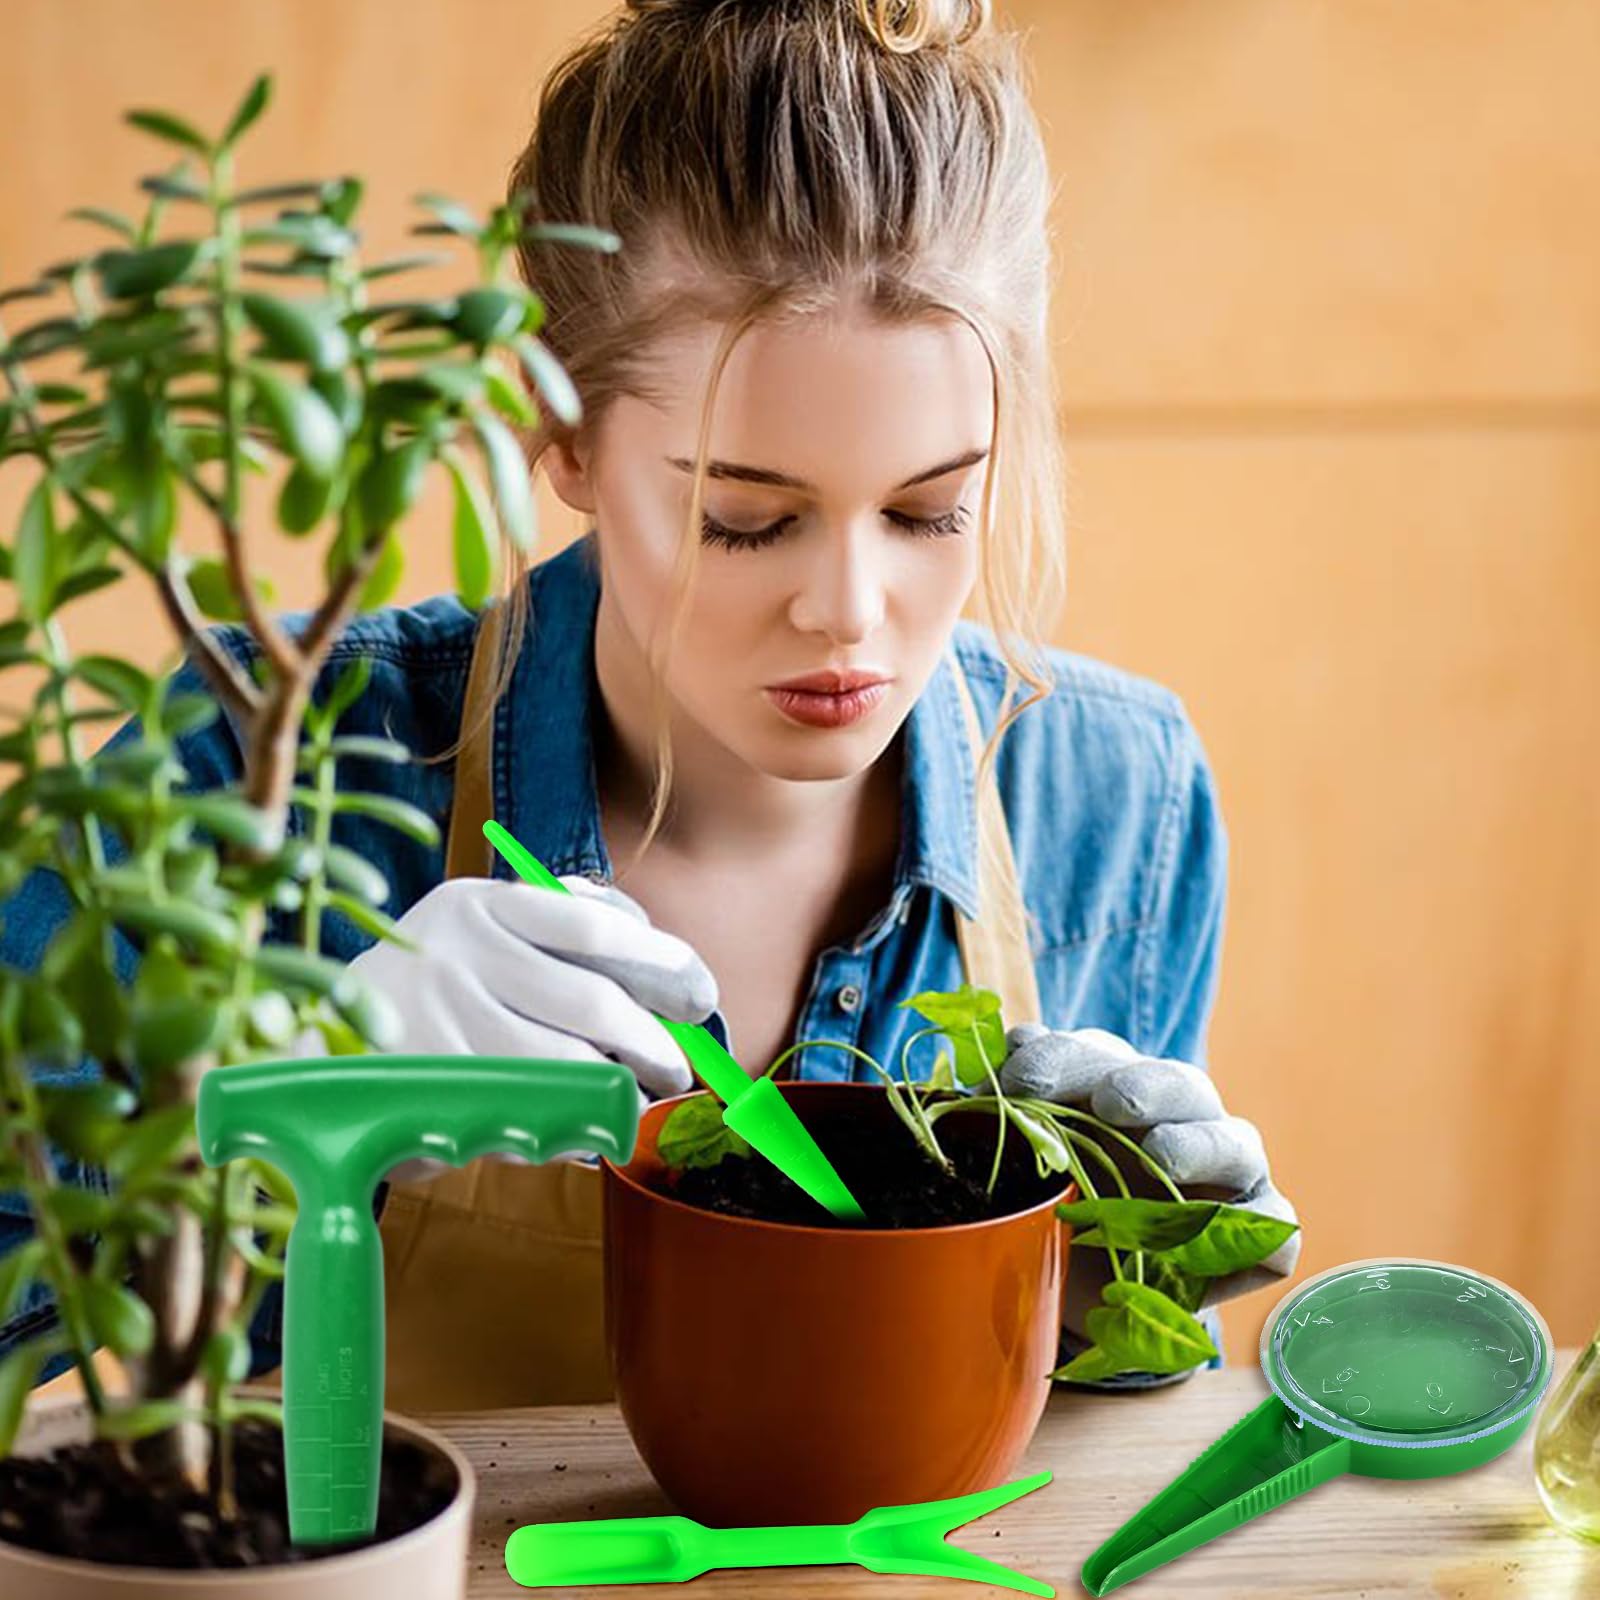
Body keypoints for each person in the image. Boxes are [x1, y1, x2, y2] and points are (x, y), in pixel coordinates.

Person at [0, 0, 1299, 1405]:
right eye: (746, 518)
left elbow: (1087, 1453)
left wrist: (1130, 1299)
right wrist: (283, 1104)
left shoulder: (1109, 798)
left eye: (931, 512)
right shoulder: (273, 760)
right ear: (557, 429)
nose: (849, 611)